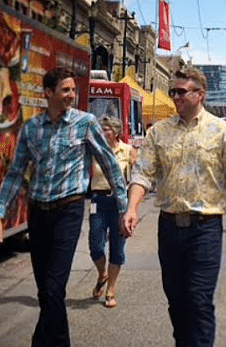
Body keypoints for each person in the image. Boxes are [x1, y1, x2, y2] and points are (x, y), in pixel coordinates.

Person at [0, 68, 128, 347]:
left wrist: (123, 207)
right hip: (38, 212)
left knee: (54, 286)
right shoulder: (32, 128)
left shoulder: (85, 123)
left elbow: (109, 163)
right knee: (45, 292)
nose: (72, 95)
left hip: (68, 210)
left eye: (73, 90)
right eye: (66, 90)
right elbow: (15, 173)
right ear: (48, 93)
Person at [120, 66, 226, 347]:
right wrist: (131, 209)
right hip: (169, 228)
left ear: (200, 94)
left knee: (199, 301)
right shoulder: (159, 133)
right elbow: (142, 173)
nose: (176, 97)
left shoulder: (223, 132)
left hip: (205, 229)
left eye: (181, 92)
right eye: (173, 92)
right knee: (177, 303)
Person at [89, 116, 136, 308]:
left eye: (106, 129)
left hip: (119, 203)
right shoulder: (94, 150)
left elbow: (135, 179)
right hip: (97, 201)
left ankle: (111, 290)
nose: (102, 132)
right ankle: (102, 274)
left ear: (116, 132)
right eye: (101, 129)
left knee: (117, 246)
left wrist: (131, 208)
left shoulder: (127, 151)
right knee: (95, 245)